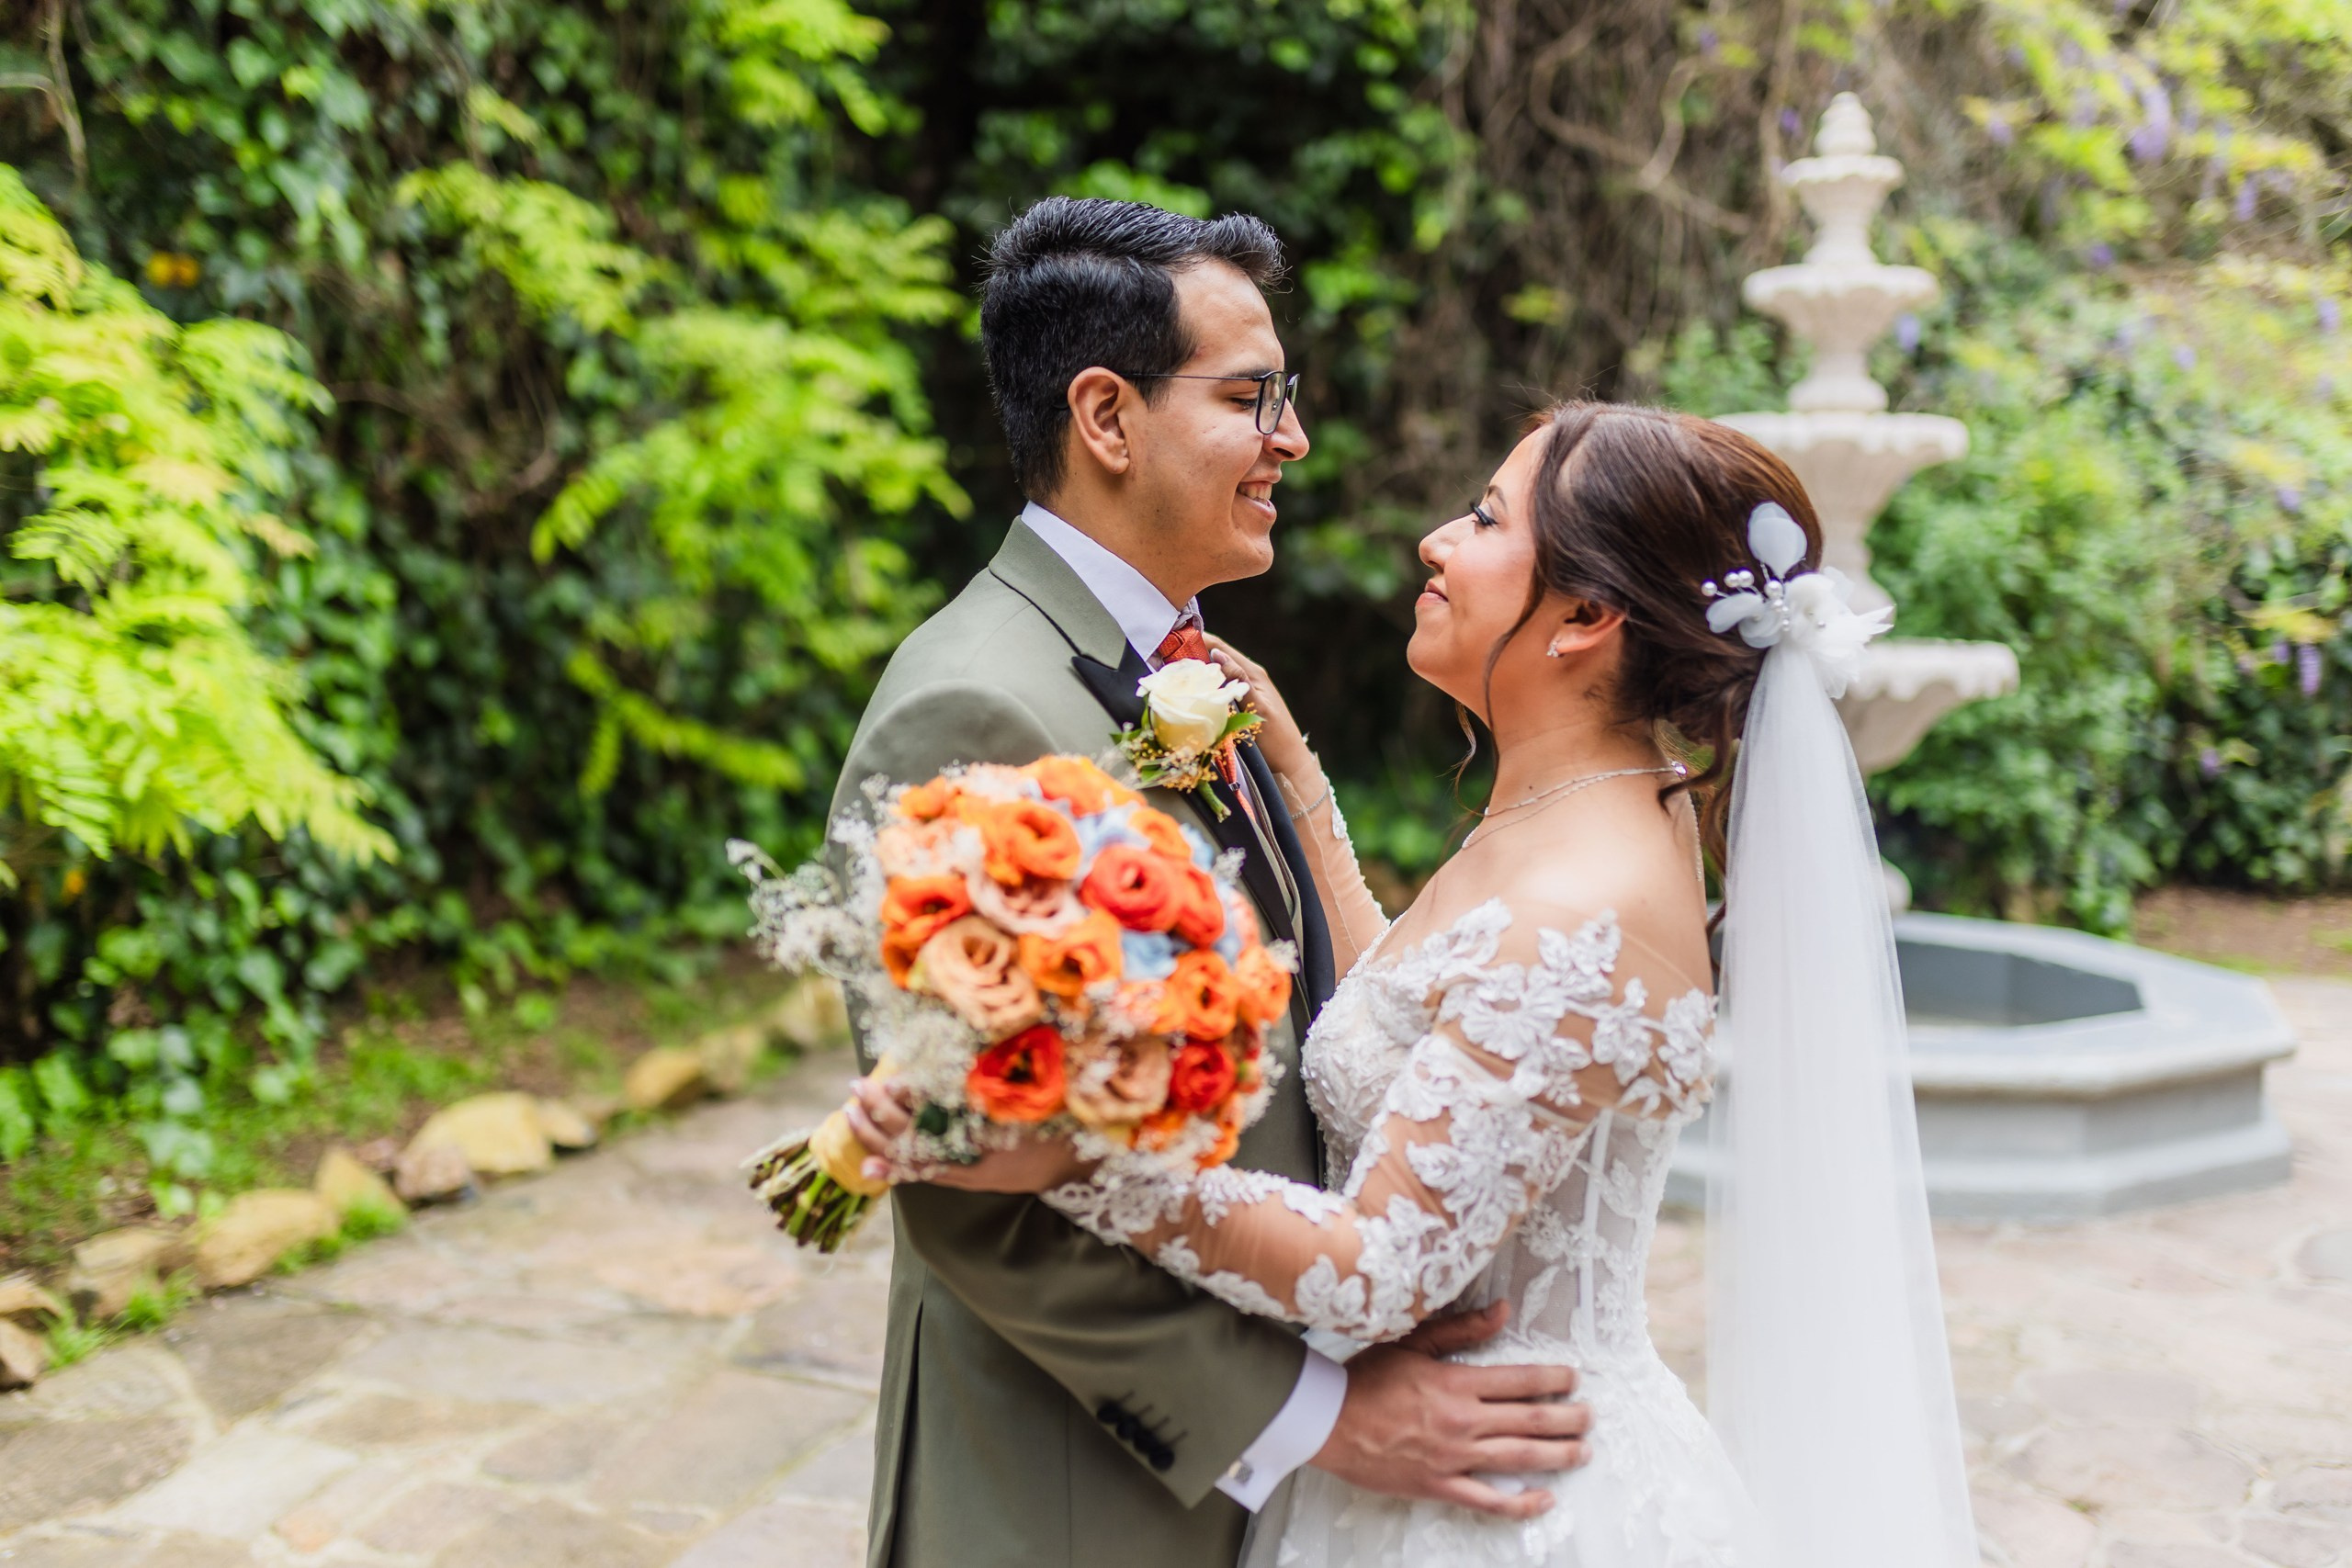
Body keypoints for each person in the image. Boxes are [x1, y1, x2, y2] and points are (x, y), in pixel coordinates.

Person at [850, 401, 1980, 1566]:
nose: (1437, 541)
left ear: (1585, 617)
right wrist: (1296, 784)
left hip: (1487, 1492)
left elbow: (1376, 1271)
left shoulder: (1583, 904)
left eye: (1486, 519)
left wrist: (1085, 1153)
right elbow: (1415, 1004)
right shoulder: (1574, 808)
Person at [830, 196, 1593, 1568]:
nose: (1291, 440)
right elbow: (965, 1186)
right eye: (1253, 398)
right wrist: (1316, 1416)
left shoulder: (1197, 673)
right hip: (1078, 1492)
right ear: (1108, 418)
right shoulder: (968, 708)